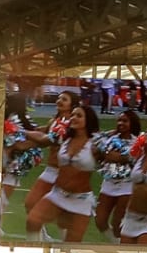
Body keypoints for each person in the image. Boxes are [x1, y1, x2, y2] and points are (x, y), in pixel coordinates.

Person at [25, 103, 100, 243]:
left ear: (88, 120)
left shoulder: (96, 143)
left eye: (79, 115)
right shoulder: (62, 137)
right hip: (57, 194)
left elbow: (114, 156)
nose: (74, 118)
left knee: (72, 243)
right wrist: (21, 131)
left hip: (81, 200)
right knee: (32, 221)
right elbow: (42, 138)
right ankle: (36, 252)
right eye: (72, 115)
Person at [22, 90, 76, 219]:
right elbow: (41, 139)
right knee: (30, 203)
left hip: (66, 173)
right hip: (50, 170)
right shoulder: (54, 121)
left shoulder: (73, 124)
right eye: (59, 98)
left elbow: (43, 139)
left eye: (64, 99)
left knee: (63, 216)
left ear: (72, 104)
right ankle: (41, 234)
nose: (59, 101)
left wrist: (20, 130)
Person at [94, 110, 141, 239]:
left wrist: (119, 157)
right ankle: (116, 245)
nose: (120, 123)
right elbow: (98, 150)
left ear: (132, 123)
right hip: (109, 183)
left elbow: (133, 159)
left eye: (125, 121)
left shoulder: (137, 142)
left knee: (117, 224)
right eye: (119, 120)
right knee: (100, 220)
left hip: (127, 185)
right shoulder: (110, 139)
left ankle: (121, 249)